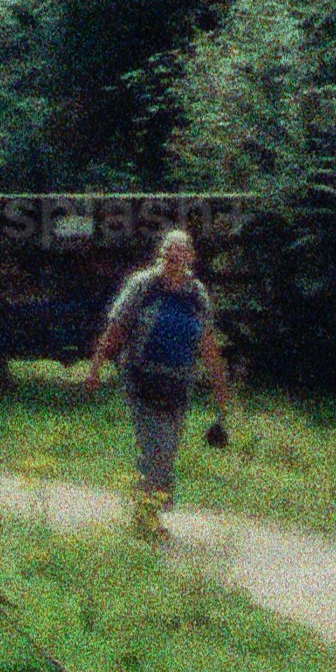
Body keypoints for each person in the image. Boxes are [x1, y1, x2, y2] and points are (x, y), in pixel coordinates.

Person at [91, 225, 229, 539]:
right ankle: (147, 521)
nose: (174, 257)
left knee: (166, 453)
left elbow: (207, 344)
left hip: (178, 386)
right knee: (153, 449)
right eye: (169, 250)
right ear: (160, 254)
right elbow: (117, 328)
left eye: (181, 252)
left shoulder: (197, 295)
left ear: (191, 258)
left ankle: (147, 512)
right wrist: (96, 367)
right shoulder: (142, 286)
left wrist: (220, 390)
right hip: (140, 379)